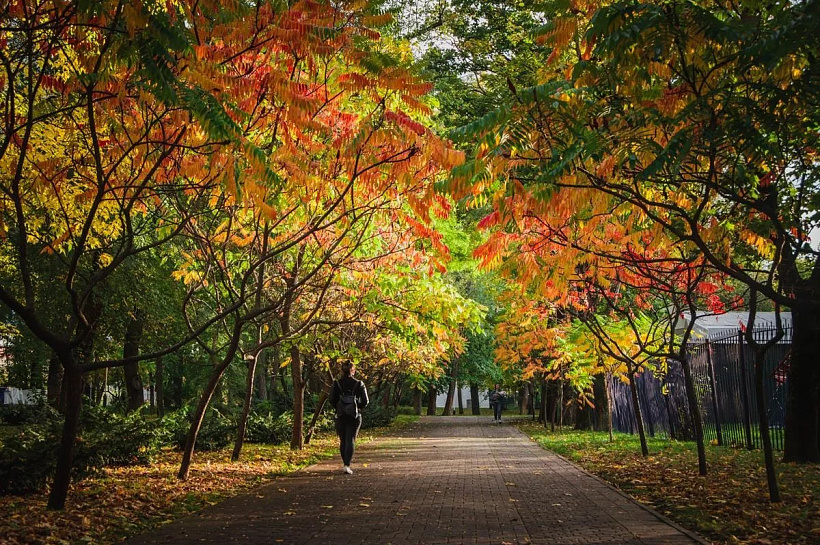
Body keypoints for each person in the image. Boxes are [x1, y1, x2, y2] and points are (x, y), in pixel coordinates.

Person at [329, 361, 369, 474]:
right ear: (353, 371)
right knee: (350, 439)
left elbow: (331, 399)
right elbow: (366, 401)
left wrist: (338, 408)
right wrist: (358, 407)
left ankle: (344, 463)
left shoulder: (337, 383)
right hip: (354, 416)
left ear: (342, 370)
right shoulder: (359, 383)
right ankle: (347, 465)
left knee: (343, 440)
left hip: (341, 415)